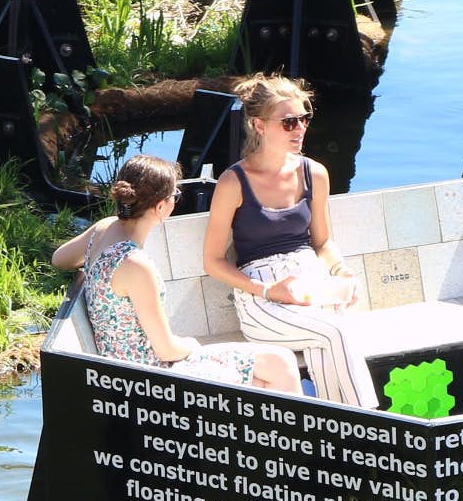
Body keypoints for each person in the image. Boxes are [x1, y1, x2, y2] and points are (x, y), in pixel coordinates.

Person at [52, 154, 301, 392]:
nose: (176, 201)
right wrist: (193, 344)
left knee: (276, 365)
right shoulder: (135, 264)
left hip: (127, 370)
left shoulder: (103, 229)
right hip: (152, 377)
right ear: (161, 207)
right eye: (175, 195)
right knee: (281, 365)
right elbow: (167, 351)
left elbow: (59, 259)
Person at [201, 73, 374, 407]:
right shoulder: (233, 181)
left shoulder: (315, 173)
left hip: (311, 282)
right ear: (259, 125)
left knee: (325, 343)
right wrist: (267, 290)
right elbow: (212, 261)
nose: (300, 129)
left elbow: (322, 242)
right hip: (261, 293)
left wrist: (342, 272)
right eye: (289, 122)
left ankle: (331, 436)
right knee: (335, 332)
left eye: (304, 119)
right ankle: (367, 425)